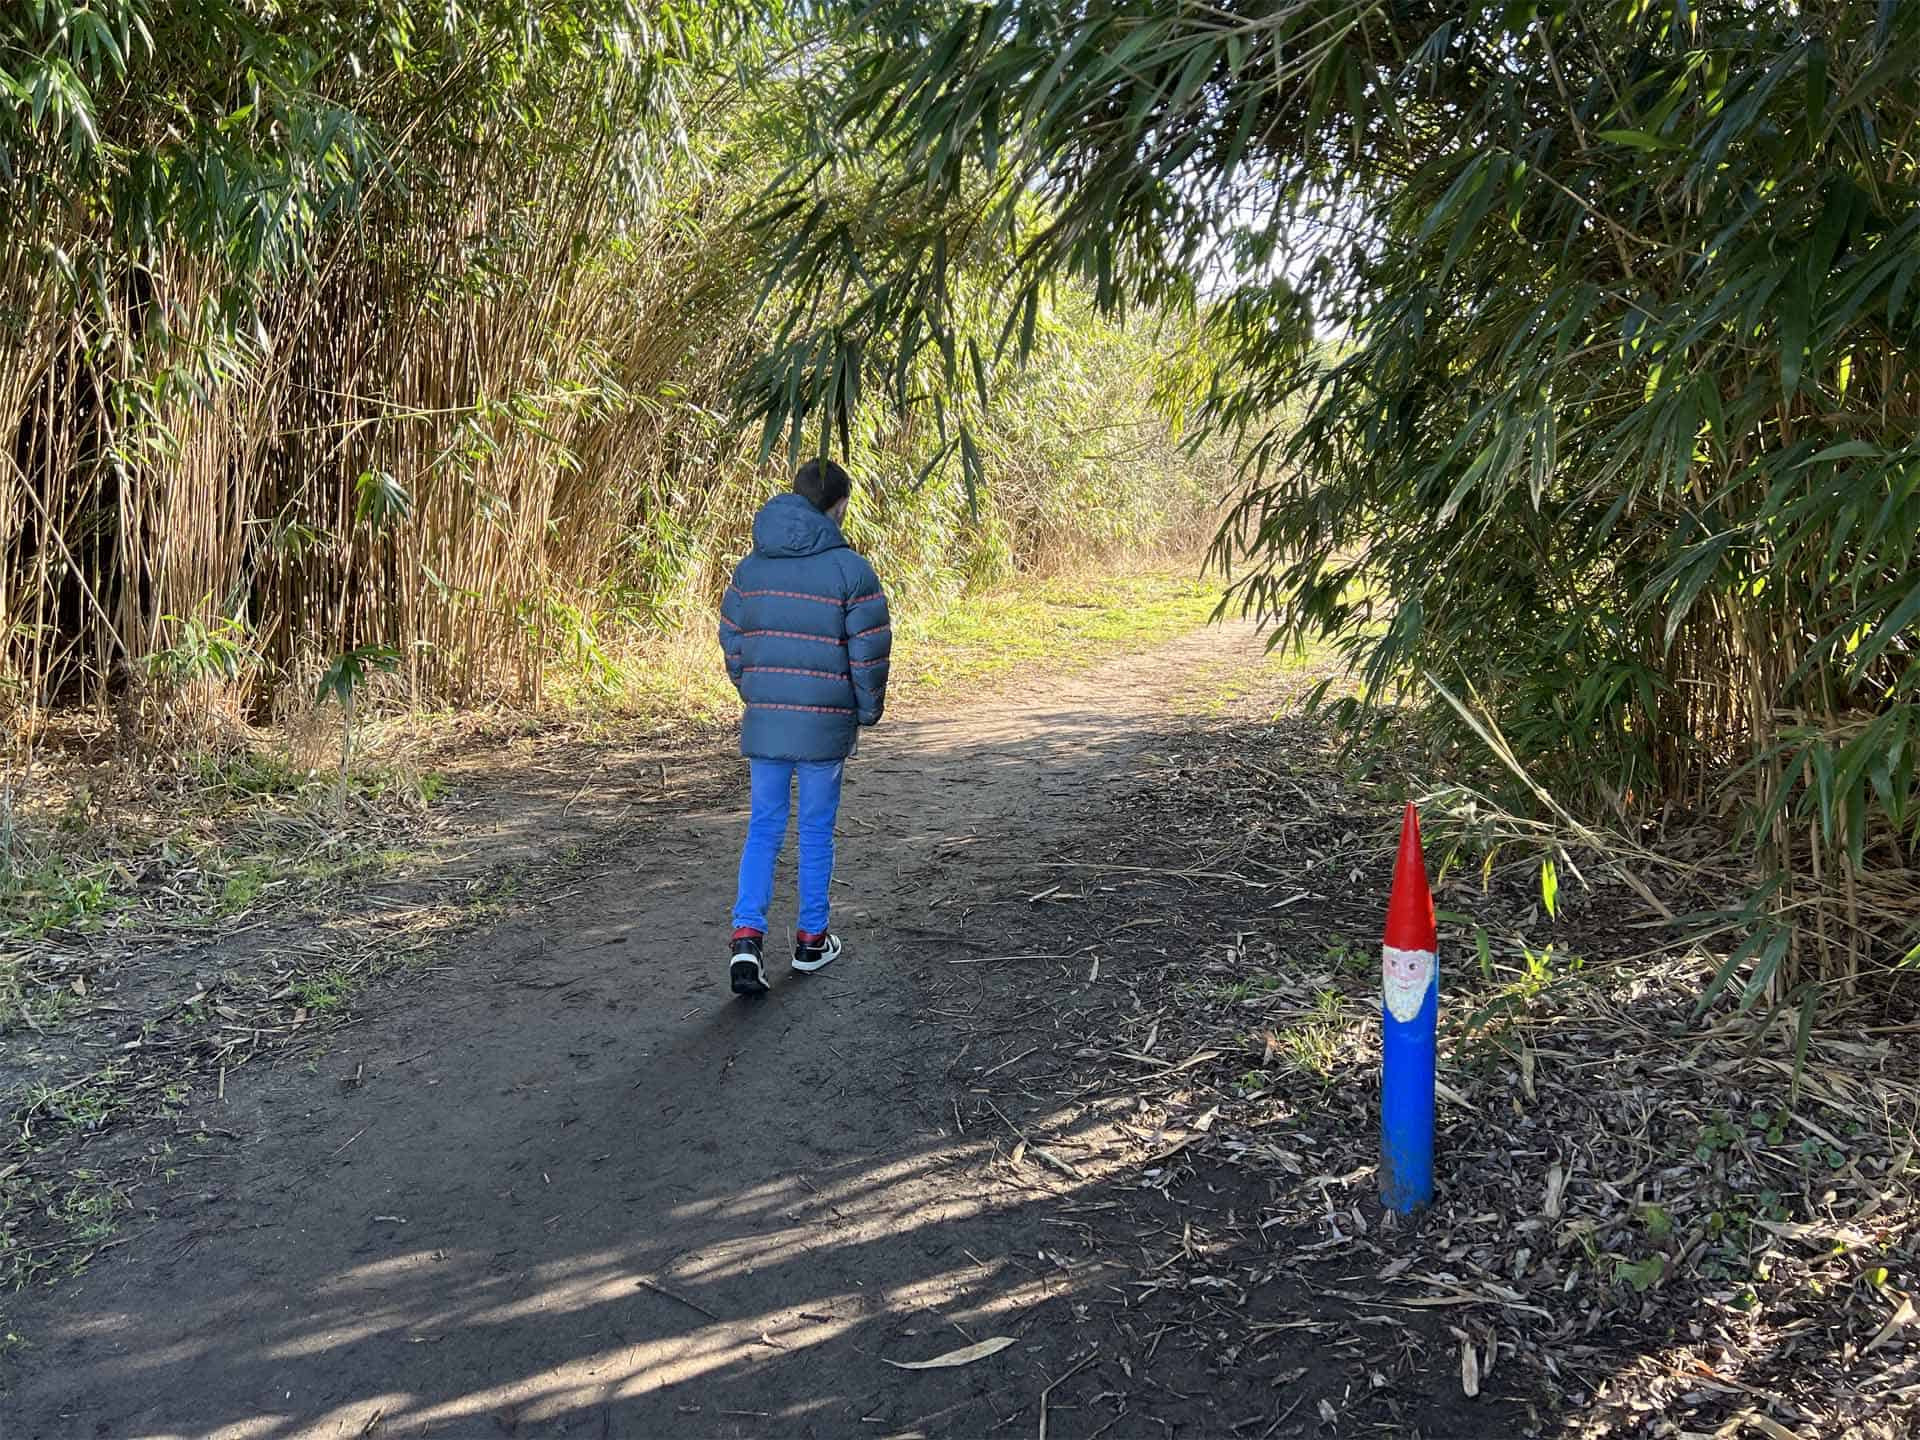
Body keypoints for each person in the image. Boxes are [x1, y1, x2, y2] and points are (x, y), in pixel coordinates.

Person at [718, 458, 892, 995]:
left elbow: (732, 640)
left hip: (768, 720)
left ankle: (746, 938)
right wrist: (866, 710)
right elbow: (870, 654)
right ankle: (811, 941)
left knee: (763, 826)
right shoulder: (851, 570)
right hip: (825, 722)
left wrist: (755, 690)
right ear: (839, 507)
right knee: (815, 831)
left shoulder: (750, 569)